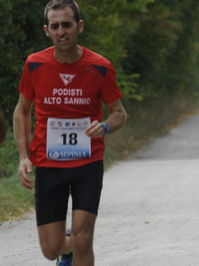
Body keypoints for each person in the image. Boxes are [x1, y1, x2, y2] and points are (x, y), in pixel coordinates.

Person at [13, 1, 127, 265]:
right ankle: (67, 246)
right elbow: (22, 111)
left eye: (67, 24)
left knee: (84, 237)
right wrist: (23, 156)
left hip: (88, 161)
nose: (61, 31)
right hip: (48, 163)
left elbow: (119, 112)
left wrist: (106, 126)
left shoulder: (100, 67)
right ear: (46, 30)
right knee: (51, 249)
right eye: (55, 26)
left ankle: (76, 243)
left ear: (79, 26)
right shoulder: (34, 65)